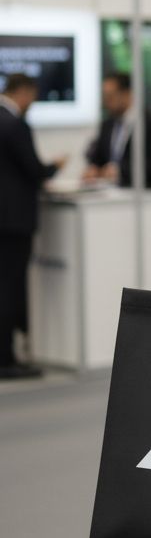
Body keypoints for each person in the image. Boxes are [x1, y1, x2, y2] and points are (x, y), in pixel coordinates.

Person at [0, 73, 66, 379]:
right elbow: (34, 169)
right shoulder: (15, 125)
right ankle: (6, 360)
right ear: (24, 93)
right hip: (13, 221)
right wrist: (55, 166)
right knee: (10, 287)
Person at [83, 72, 151, 188]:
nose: (105, 102)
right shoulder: (108, 125)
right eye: (104, 96)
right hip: (113, 195)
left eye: (110, 96)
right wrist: (94, 169)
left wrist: (120, 171)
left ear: (127, 94)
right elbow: (98, 157)